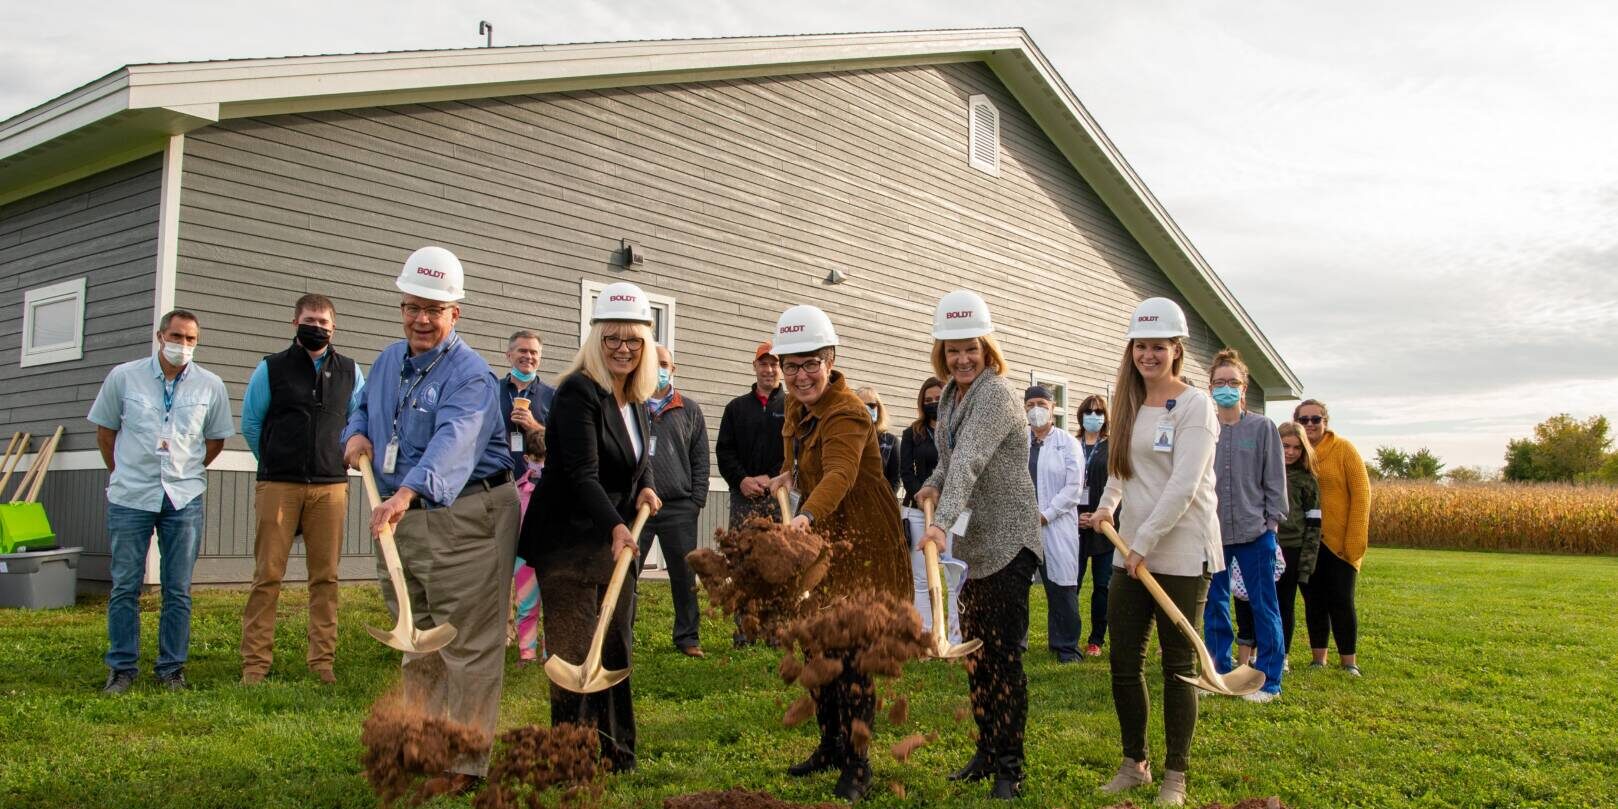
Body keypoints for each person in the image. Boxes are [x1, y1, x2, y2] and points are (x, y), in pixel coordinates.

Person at [341, 246, 520, 794]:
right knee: (416, 636)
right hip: (400, 515)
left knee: (467, 642)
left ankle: (466, 762)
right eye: (413, 307)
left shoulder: (472, 376)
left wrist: (409, 491)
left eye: (434, 310)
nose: (422, 319)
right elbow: (363, 402)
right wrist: (354, 431)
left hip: (467, 515)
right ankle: (422, 747)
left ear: (455, 315)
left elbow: (454, 441)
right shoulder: (389, 359)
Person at [765, 305, 909, 803]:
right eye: (791, 365)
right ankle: (830, 743)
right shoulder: (796, 406)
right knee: (816, 643)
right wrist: (788, 477)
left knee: (851, 655)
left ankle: (858, 766)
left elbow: (840, 473)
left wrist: (804, 516)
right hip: (824, 535)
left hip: (862, 540)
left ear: (830, 359)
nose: (801, 375)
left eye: (811, 364)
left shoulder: (847, 411)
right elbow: (804, 461)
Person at [517, 282, 663, 773]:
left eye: (634, 341)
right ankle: (570, 757)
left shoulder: (637, 398)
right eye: (613, 339)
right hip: (569, 541)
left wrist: (644, 487)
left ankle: (616, 751)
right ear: (596, 340)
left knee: (616, 640)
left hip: (611, 538)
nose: (623, 349)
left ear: (645, 347)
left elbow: (637, 459)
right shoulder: (578, 391)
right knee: (575, 648)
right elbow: (580, 472)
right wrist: (616, 527)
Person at [911, 290, 1041, 800]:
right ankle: (987, 751)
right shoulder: (950, 395)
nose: (962, 359)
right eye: (952, 350)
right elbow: (950, 457)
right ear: (941, 353)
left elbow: (970, 462)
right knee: (977, 654)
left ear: (988, 348)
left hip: (1008, 542)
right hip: (974, 545)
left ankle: (1011, 766)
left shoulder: (997, 394)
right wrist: (931, 483)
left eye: (971, 349)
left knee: (1003, 656)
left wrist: (939, 524)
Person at [1092, 297, 1222, 807]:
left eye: (1158, 347)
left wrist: (1142, 544)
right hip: (1134, 554)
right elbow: (1122, 469)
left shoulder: (1195, 406)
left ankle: (1176, 775)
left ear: (1176, 350)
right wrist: (1106, 509)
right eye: (1141, 346)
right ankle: (1134, 763)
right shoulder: (1126, 401)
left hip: (1183, 551)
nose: (1149, 355)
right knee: (1123, 661)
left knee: (1178, 667)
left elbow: (1184, 485)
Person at [89, 310, 234, 694]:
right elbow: (106, 432)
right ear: (159, 336)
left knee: (178, 588)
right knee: (124, 585)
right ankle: (122, 668)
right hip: (131, 496)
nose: (182, 345)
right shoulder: (124, 377)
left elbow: (216, 439)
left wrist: (186, 470)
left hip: (183, 498)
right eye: (176, 336)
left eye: (190, 339)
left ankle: (171, 669)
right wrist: (122, 471)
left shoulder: (210, 385)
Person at [238, 294, 365, 686]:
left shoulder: (350, 371)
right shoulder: (271, 369)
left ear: (334, 327)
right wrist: (277, 462)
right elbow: (252, 424)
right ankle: (255, 665)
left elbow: (357, 422)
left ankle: (321, 662)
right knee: (267, 576)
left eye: (325, 322)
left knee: (325, 577)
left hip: (330, 488)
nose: (319, 327)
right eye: (311, 320)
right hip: (279, 484)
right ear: (296, 323)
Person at [1200, 349, 1288, 703]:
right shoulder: (1205, 428)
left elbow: (1275, 482)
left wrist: (1271, 527)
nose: (1225, 388)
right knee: (1214, 605)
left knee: (1264, 607)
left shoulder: (1262, 428)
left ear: (1244, 387)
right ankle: (1218, 673)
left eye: (1232, 382)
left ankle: (1269, 680)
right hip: (1214, 533)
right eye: (1219, 382)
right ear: (1210, 387)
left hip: (1255, 533)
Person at [643, 344, 710, 658]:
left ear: (673, 369)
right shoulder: (632, 405)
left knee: (684, 576)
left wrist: (696, 500)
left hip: (679, 506)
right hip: (638, 506)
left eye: (664, 363)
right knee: (625, 573)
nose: (659, 368)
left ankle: (687, 637)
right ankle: (619, 636)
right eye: (653, 363)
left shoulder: (690, 409)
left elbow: (700, 459)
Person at [1294, 399, 1368, 676]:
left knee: (1341, 601)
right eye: (1304, 420)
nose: (1310, 425)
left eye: (1316, 419)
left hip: (1339, 543)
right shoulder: (1295, 452)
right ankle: (1318, 658)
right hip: (1307, 543)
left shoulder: (1344, 450)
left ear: (1326, 421)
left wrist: (1355, 539)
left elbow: (1361, 494)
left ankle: (1349, 661)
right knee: (1314, 602)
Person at [1239, 420, 1321, 663]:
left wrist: (1306, 565)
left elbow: (1314, 525)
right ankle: (1251, 653)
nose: (1290, 452)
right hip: (1260, 543)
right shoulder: (1261, 472)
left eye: (1297, 448)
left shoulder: (1307, 481)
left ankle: (1281, 656)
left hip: (1291, 548)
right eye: (1285, 446)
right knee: (1255, 601)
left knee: (1283, 604)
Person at [899, 377, 965, 642]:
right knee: (922, 576)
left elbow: (960, 468)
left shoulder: (957, 431)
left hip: (953, 512)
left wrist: (946, 500)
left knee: (953, 576)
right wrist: (922, 497)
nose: (933, 404)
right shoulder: (911, 433)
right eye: (928, 401)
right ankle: (926, 635)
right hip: (918, 511)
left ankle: (956, 636)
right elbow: (906, 472)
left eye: (938, 399)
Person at [1024, 385, 1087, 663]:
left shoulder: (1067, 443)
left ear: (1052, 408)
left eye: (1041, 403)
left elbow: (1073, 488)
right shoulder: (1018, 442)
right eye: (1030, 404)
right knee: (1016, 587)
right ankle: (1016, 643)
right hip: (1021, 526)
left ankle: (1065, 646)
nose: (1035, 409)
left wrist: (1045, 514)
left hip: (1056, 525)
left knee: (1061, 586)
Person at [716, 341, 786, 527]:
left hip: (780, 496)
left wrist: (772, 477)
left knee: (780, 553)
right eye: (763, 364)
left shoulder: (794, 408)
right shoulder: (735, 408)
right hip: (743, 498)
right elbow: (725, 452)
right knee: (740, 552)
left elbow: (798, 451)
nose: (769, 369)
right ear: (754, 366)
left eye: (774, 364)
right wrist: (741, 480)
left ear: (781, 368)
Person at [1075, 394, 1114, 658]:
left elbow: (1119, 485)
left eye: (1099, 412)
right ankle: (1068, 635)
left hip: (1104, 526)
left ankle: (1096, 639)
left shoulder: (1112, 447)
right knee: (1071, 584)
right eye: (1089, 411)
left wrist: (1099, 516)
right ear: (1080, 415)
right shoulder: (1070, 444)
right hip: (1073, 524)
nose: (1093, 416)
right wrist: (1074, 516)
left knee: (1103, 586)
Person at [512, 437, 547, 666]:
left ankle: (551, 653)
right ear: (527, 459)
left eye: (545, 459)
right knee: (526, 606)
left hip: (551, 555)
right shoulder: (517, 490)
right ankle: (527, 653)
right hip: (524, 557)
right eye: (536, 459)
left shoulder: (558, 488)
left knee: (554, 606)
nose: (541, 464)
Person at [500, 330, 556, 470]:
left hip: (536, 481)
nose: (528, 356)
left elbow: (563, 441)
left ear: (540, 357)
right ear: (509, 355)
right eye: (523, 351)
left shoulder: (553, 396)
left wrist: (533, 426)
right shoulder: (492, 390)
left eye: (534, 352)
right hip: (497, 481)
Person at [855, 386, 901, 494]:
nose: (867, 409)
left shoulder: (891, 441)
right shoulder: (847, 439)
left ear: (879, 408)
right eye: (861, 405)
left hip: (879, 505)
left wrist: (885, 505)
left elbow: (895, 480)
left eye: (871, 405)